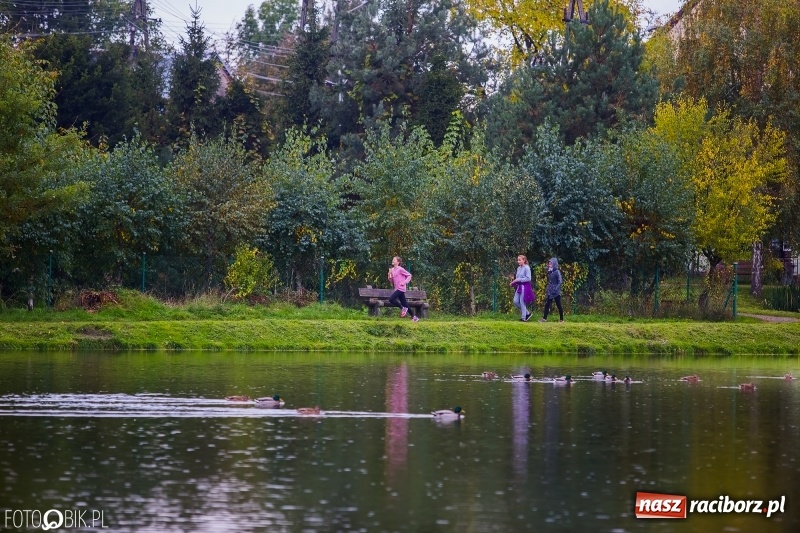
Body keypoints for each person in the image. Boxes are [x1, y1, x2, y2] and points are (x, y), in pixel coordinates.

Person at [388, 256, 419, 322]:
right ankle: (414, 317)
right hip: (397, 288)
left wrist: (404, 282)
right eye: (392, 259)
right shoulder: (392, 270)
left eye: (394, 260)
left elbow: (409, 275)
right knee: (405, 304)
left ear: (398, 262)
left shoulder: (400, 269)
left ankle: (403, 308)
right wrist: (389, 276)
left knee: (391, 299)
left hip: (401, 288)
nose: (393, 260)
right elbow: (392, 281)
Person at [510, 255, 534, 322]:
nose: (518, 261)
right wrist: (513, 283)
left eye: (520, 260)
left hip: (525, 286)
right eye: (518, 260)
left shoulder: (527, 268)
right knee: (515, 301)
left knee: (522, 301)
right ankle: (527, 313)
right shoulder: (518, 268)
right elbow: (517, 279)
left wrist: (519, 280)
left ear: (524, 260)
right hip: (519, 286)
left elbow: (528, 278)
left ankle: (524, 318)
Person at [539, 257, 564, 322]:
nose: (549, 265)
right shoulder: (550, 272)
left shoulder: (557, 272)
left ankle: (561, 319)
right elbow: (550, 281)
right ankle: (544, 318)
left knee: (559, 305)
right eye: (549, 264)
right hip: (550, 291)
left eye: (551, 264)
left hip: (556, 292)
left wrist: (556, 288)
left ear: (554, 264)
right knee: (547, 304)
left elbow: (560, 281)